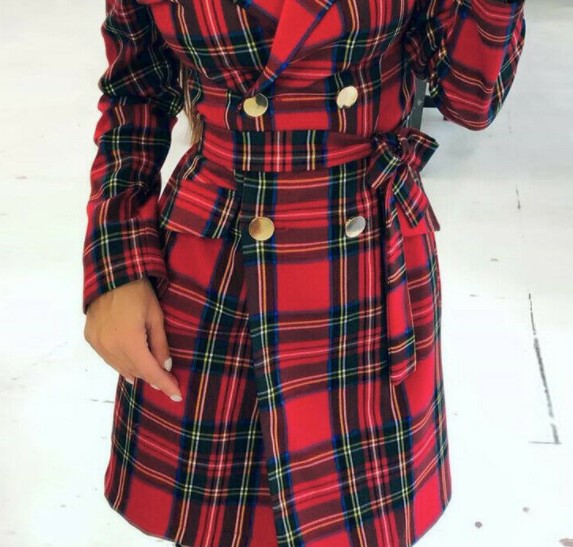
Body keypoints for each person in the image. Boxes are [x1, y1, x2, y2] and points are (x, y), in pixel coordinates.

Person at [82, 0, 526, 545]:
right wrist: (116, 264)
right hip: (219, 266)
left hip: (363, 269)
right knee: (225, 530)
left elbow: (470, 98)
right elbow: (136, 92)